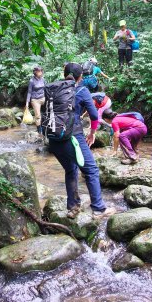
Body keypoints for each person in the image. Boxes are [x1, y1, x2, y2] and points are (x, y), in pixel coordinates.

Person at [48, 63, 115, 219]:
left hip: (53, 138)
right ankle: (99, 209)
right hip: (72, 136)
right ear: (80, 77)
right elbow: (93, 115)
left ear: (64, 74)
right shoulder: (82, 90)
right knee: (91, 170)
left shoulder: (53, 89)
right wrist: (92, 133)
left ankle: (73, 207)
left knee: (71, 169)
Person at [25, 65, 46, 133]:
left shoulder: (43, 79)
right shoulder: (32, 81)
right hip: (35, 100)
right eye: (39, 71)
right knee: (38, 116)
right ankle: (39, 131)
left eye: (41, 71)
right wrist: (27, 103)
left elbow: (46, 88)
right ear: (35, 72)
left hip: (43, 98)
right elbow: (29, 92)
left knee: (47, 112)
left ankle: (45, 127)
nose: (41, 72)